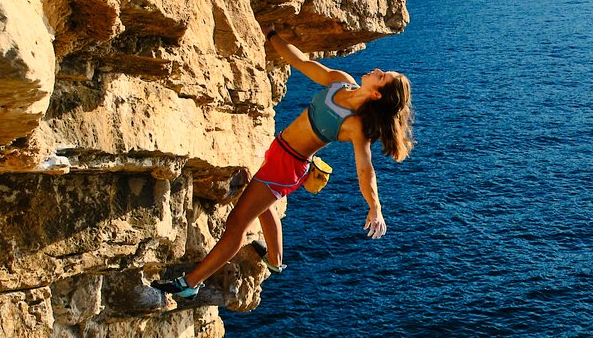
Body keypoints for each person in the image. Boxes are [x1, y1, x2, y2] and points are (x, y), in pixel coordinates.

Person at [158, 33, 412, 302]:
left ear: (376, 93)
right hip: (279, 150)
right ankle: (275, 259)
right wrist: (272, 36)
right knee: (262, 203)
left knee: (237, 224)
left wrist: (375, 207)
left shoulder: (354, 125)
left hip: (287, 166)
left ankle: (191, 283)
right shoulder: (341, 82)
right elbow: (301, 61)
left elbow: (365, 170)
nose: (378, 71)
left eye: (383, 77)